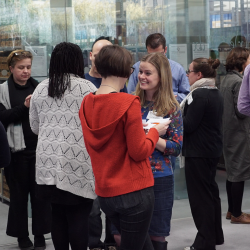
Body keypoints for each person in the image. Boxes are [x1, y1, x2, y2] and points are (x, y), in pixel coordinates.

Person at [79, 44, 170, 250]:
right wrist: (155, 133)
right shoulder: (128, 102)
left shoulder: (86, 102)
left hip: (105, 192)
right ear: (126, 71)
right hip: (134, 191)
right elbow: (139, 151)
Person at [29, 42, 97, 250]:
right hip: (77, 163)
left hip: (47, 163)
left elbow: (34, 127)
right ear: (78, 61)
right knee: (79, 217)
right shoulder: (88, 88)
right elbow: (96, 126)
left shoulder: (41, 88)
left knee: (56, 215)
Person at [0, 50, 51, 250]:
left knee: (40, 196)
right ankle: (22, 236)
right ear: (11, 69)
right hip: (16, 153)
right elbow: (3, 118)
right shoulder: (3, 90)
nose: (25, 71)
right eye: (21, 67)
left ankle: (40, 234)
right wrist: (25, 107)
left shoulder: (39, 88)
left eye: (28, 67)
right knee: (19, 197)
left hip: (38, 150)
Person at [136, 53, 183, 250]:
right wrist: (154, 132)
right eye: (140, 72)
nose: (142, 77)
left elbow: (176, 147)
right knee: (130, 235)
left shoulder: (171, 108)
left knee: (157, 235)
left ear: (161, 76)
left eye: (148, 73)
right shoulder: (132, 103)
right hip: (134, 175)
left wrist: (149, 135)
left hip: (160, 177)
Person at [181, 58, 224, 250]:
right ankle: (215, 236)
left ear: (199, 75)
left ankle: (205, 242)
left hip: (198, 152)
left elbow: (189, 125)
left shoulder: (198, 95)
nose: (187, 74)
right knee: (211, 194)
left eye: (189, 71)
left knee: (201, 199)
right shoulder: (214, 92)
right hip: (211, 150)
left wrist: (175, 117)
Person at [85, 37, 119, 250]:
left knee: (114, 205)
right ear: (91, 56)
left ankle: (112, 241)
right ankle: (94, 243)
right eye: (98, 54)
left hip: (114, 155)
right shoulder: (83, 84)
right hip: (89, 156)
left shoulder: (119, 84)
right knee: (93, 207)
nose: (102, 59)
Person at [220, 47, 250, 224]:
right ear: (242, 61)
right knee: (238, 173)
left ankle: (232, 210)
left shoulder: (226, 79)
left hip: (228, 132)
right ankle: (238, 214)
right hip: (239, 132)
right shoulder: (239, 82)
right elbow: (242, 110)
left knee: (231, 173)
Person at [127, 33, 189, 103]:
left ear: (165, 49)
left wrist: (171, 97)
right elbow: (130, 94)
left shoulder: (178, 69)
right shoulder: (137, 67)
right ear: (147, 50)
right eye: (151, 55)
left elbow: (187, 96)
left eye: (159, 54)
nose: (155, 59)